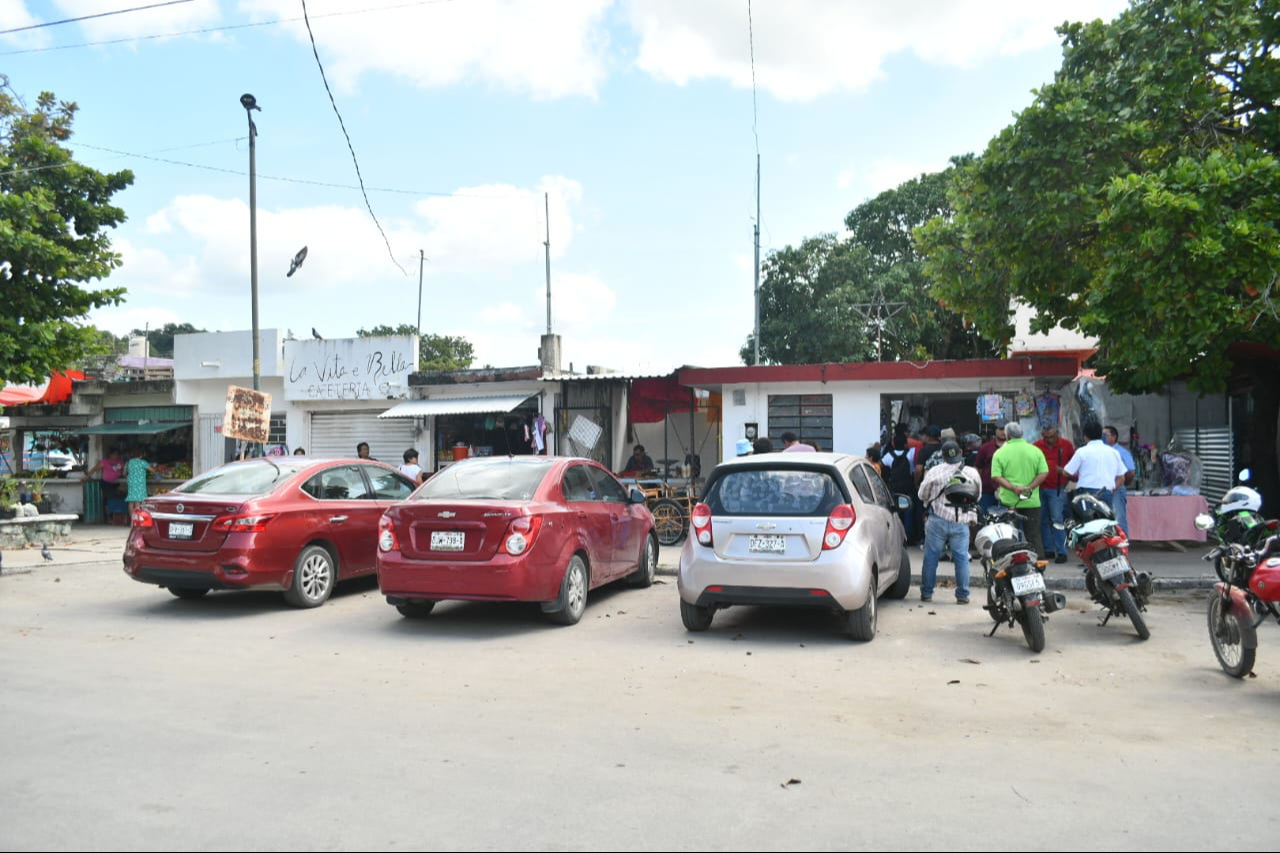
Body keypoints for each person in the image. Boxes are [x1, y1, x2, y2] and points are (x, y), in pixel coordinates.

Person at [918, 440, 981, 604]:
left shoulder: (935, 471)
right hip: (960, 521)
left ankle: (926, 593)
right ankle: (962, 595)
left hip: (937, 519)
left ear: (942, 456)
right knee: (961, 558)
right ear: (960, 452)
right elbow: (978, 496)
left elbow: (921, 494)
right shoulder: (972, 473)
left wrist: (929, 502)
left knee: (931, 557)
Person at [991, 421, 1049, 560]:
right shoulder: (1035, 450)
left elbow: (996, 476)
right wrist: (1030, 487)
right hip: (1031, 501)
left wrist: (1013, 488)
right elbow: (1044, 472)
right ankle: (1038, 562)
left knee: (1009, 534)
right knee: (1034, 533)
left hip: (1010, 501)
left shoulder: (1000, 453)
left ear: (1007, 435)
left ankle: (1011, 562)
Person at [1034, 425, 1076, 564]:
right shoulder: (1037, 446)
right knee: (1043, 520)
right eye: (1046, 437)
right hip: (1040, 487)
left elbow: (1074, 464)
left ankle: (1061, 551)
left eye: (1052, 437)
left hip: (1057, 487)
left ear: (1057, 433)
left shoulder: (1066, 445)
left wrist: (1065, 473)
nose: (1049, 440)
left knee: (1057, 520)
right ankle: (1049, 549)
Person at [1064, 420, 1126, 510]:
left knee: (1088, 522)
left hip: (1086, 493)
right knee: (1105, 521)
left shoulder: (1082, 451)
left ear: (1085, 436)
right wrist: (1111, 489)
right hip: (1106, 492)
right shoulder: (1113, 452)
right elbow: (1121, 478)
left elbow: (1067, 472)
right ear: (1101, 435)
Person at [881, 426, 918, 545]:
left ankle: (896, 538)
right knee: (908, 513)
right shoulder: (910, 453)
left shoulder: (888, 456)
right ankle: (909, 538)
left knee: (895, 513)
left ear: (893, 443)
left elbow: (883, 470)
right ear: (906, 443)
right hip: (908, 487)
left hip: (895, 487)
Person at [1104, 425, 1137, 535]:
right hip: (1104, 488)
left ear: (1113, 437)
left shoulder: (1121, 452)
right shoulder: (1103, 451)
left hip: (1117, 488)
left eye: (1105, 435)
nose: (1102, 437)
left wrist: (1123, 483)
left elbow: (1131, 471)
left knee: (1118, 517)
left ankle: (1122, 543)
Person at [974, 426, 1006, 512]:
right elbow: (978, 467)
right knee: (984, 518)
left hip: (1009, 491)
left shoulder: (1012, 448)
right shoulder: (985, 448)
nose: (1003, 432)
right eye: (1001, 429)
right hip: (988, 492)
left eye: (1006, 429)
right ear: (995, 430)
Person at [124, 446, 153, 519]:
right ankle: (138, 518)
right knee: (139, 501)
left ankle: (132, 519)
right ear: (142, 454)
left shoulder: (130, 462)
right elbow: (152, 470)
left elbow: (124, 472)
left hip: (131, 482)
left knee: (131, 501)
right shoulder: (143, 462)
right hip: (140, 483)